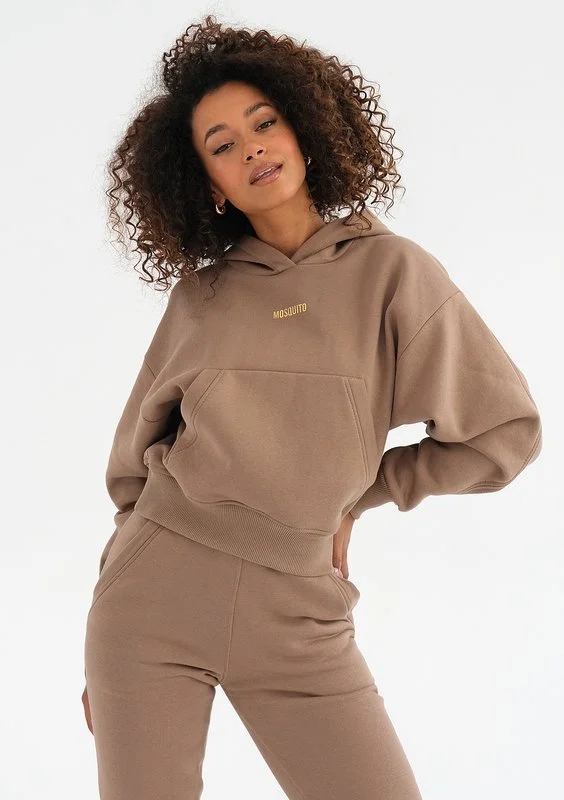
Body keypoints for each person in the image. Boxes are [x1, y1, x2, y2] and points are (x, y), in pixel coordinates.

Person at [82, 14, 542, 799]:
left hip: (300, 614)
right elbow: (132, 476)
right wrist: (105, 647)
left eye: (264, 123)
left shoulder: (393, 273)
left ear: (304, 129)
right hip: (152, 599)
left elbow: (504, 434)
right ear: (209, 184)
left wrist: (362, 494)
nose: (252, 147)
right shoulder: (201, 299)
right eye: (223, 144)